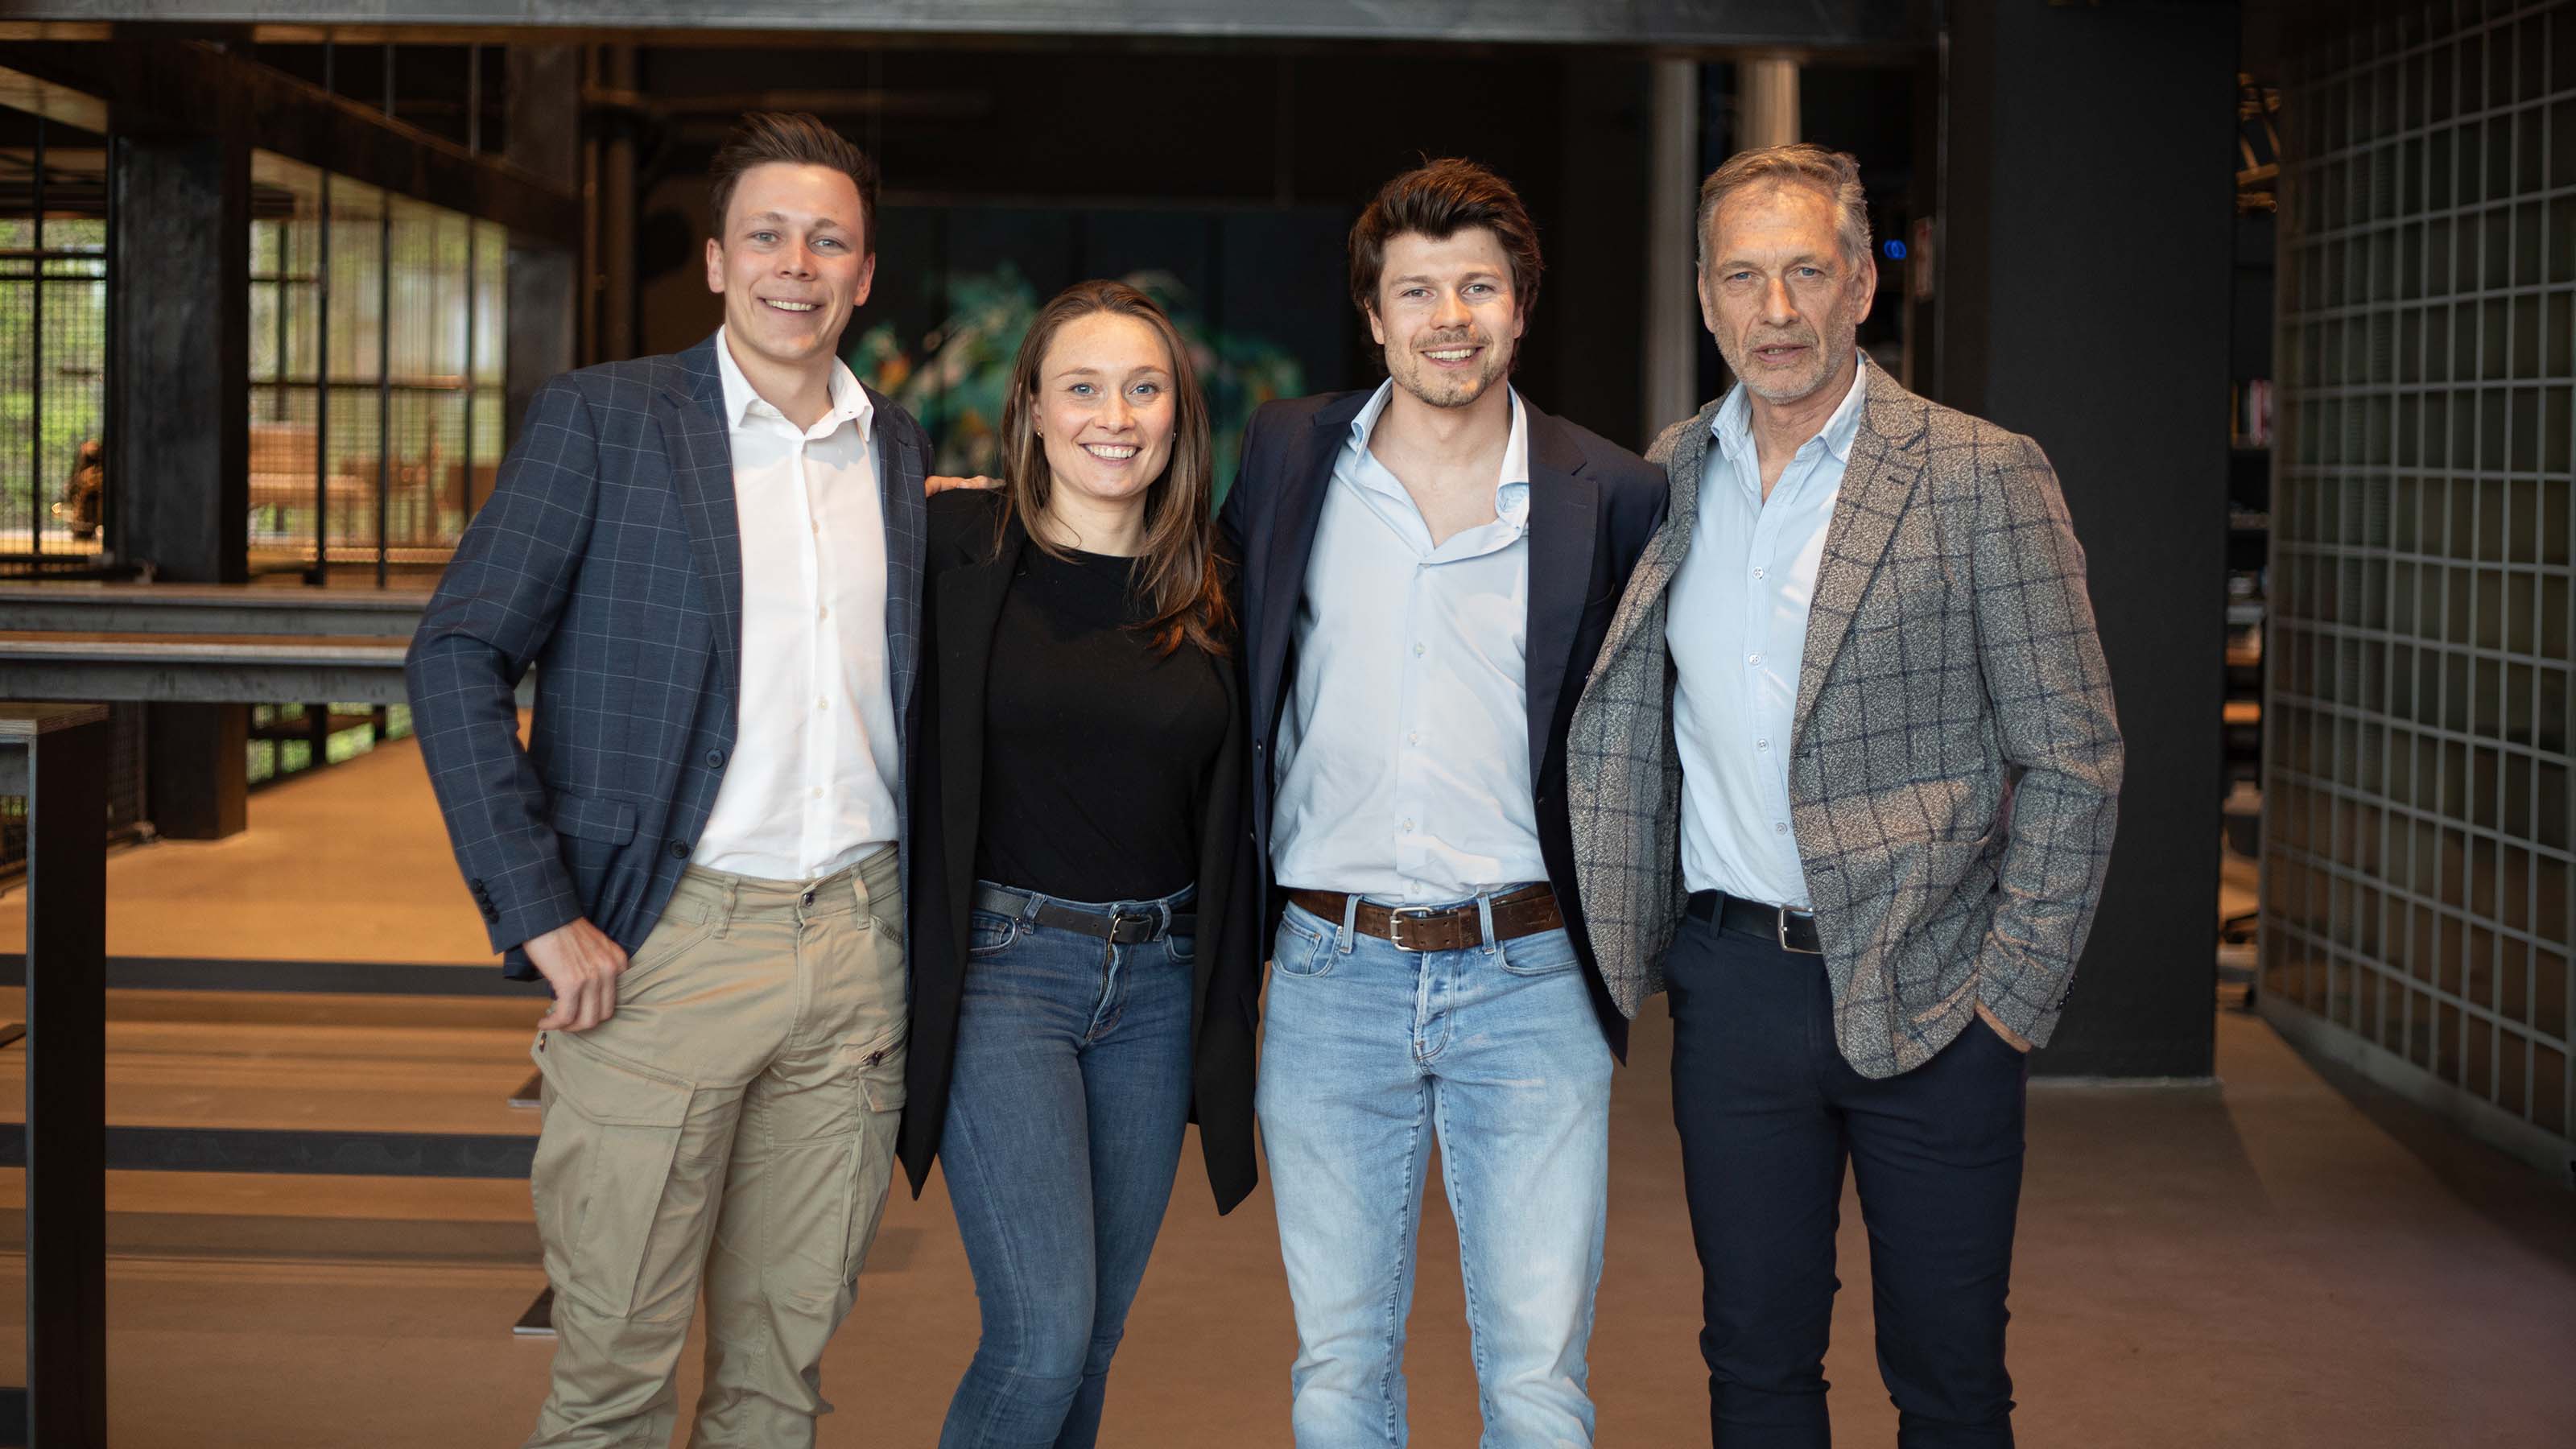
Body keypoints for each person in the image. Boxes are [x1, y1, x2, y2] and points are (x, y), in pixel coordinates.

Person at [1567, 142, 2124, 1447]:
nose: (1777, 311)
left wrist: (2011, 1000)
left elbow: (2075, 756)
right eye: (1744, 278)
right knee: (1754, 1363)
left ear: (1860, 290)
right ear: (1706, 299)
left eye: (1806, 273)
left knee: (1947, 1380)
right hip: (1733, 991)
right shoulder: (1670, 475)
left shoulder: (1982, 476)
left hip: (1936, 991)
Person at [407, 112, 930, 1448]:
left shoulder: (902, 453)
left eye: (829, 239)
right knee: (613, 1387)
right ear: (713, 260)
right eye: (766, 234)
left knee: (778, 1387)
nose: (794, 264)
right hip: (664, 946)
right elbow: (458, 652)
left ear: (866, 274)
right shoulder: (608, 420)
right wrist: (536, 905)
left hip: (857, 954)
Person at [1221, 158, 1667, 1447]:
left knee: (1536, 1380)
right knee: (1339, 1368)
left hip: (1530, 975)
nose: (1449, 316)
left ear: (1522, 306)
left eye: (1478, 286)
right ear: (1374, 314)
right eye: (1417, 290)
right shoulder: (1290, 454)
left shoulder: (1614, 495)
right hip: (1328, 975)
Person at [899, 279, 1259, 1449]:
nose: (1118, 414)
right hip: (1008, 971)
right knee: (1044, 1332)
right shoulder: (952, 541)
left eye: (1145, 388)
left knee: (1095, 1335)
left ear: (1178, 415)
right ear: (1035, 412)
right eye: (1086, 387)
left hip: (1160, 983)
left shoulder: (1221, 574)